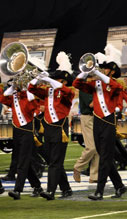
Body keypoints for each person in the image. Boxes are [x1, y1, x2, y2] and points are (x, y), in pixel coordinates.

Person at [73, 45, 127, 200]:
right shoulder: (94, 84)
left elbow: (116, 87)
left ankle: (99, 191)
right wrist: (85, 71)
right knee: (104, 156)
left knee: (105, 157)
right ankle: (120, 186)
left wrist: (99, 74)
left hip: (108, 121)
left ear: (109, 71)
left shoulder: (113, 83)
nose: (101, 70)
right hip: (97, 121)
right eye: (100, 68)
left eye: (103, 69)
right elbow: (77, 84)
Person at [28, 52, 74, 200]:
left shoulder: (68, 92)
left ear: (63, 81)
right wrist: (37, 78)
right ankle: (66, 188)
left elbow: (65, 91)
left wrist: (48, 79)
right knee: (53, 161)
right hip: (48, 129)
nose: (52, 81)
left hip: (60, 129)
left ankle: (51, 191)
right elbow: (31, 89)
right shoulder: (48, 91)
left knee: (55, 162)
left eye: (56, 79)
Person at [0, 83, 43, 199]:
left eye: (18, 89)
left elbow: (33, 107)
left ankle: (17, 190)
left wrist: (26, 90)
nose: (17, 91)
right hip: (17, 132)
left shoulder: (28, 99)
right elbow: (3, 98)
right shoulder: (14, 98)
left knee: (22, 163)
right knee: (24, 162)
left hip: (27, 132)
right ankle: (37, 186)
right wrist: (12, 87)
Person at [73, 88, 99, 183]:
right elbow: (91, 104)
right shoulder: (85, 89)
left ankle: (94, 176)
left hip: (97, 117)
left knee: (97, 147)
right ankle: (78, 167)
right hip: (88, 118)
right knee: (91, 147)